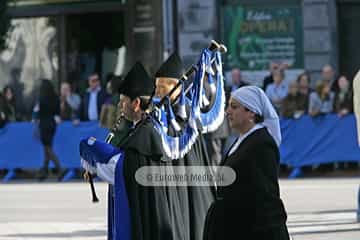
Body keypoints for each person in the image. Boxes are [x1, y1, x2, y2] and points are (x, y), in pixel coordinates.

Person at [81, 62, 184, 240]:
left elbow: (123, 168)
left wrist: (94, 158)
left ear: (136, 103)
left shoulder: (146, 133)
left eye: (123, 102)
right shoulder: (140, 129)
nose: (120, 107)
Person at [203, 86, 290, 240]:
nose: (227, 111)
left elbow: (265, 195)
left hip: (250, 230)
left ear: (251, 112)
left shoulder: (261, 143)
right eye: (228, 106)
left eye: (234, 107)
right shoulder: (244, 139)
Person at [153, 52, 215, 240]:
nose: (158, 92)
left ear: (177, 87)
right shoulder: (159, 113)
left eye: (163, 86)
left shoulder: (187, 114)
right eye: (156, 87)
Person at [34, 79, 63, 181]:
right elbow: (58, 111)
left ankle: (59, 169)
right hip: (52, 125)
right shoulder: (55, 98)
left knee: (47, 149)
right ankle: (44, 172)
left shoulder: (41, 98)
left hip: (44, 125)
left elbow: (38, 112)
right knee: (47, 148)